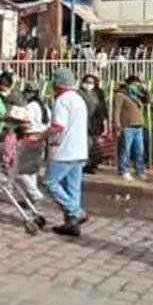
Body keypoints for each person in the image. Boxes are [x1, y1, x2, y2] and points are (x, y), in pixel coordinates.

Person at [43, 68, 90, 237]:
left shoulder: (62, 101)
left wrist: (41, 135)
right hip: (79, 150)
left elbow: (58, 126)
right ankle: (71, 223)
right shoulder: (79, 99)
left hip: (65, 150)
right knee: (73, 188)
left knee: (50, 182)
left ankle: (75, 211)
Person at [112, 75, 148, 181]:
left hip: (138, 125)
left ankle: (140, 170)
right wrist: (117, 125)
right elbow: (117, 110)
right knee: (125, 149)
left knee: (139, 150)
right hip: (127, 126)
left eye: (137, 84)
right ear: (128, 84)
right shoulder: (121, 95)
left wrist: (145, 91)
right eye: (134, 84)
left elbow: (147, 100)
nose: (136, 86)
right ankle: (124, 170)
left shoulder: (137, 95)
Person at [19, 82, 50, 202]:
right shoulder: (44, 107)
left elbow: (25, 122)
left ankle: (34, 193)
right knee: (31, 170)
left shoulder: (30, 107)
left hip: (31, 136)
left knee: (19, 170)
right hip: (41, 137)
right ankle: (30, 196)